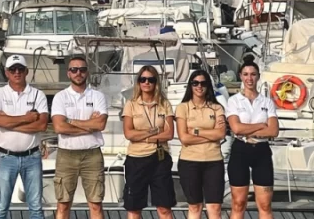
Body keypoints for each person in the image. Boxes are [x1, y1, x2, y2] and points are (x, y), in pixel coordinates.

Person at [0, 54, 49, 219]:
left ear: (26, 71)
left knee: (36, 207)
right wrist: (27, 118)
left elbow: (42, 125)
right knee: (1, 207)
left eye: (20, 69)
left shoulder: (38, 94)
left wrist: (8, 122)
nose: (17, 72)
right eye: (13, 69)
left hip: (32, 157)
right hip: (6, 157)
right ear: (6, 72)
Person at [51, 56, 108, 219]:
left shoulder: (98, 96)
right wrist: (89, 126)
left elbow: (100, 124)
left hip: (92, 155)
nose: (78, 73)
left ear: (87, 73)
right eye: (74, 70)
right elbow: (59, 127)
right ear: (68, 73)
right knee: (63, 204)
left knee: (96, 204)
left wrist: (71, 121)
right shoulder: (60, 97)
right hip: (66, 155)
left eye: (82, 70)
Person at [226, 56, 278, 219]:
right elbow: (236, 128)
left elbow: (273, 131)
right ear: (241, 76)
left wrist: (246, 130)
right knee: (238, 203)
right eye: (246, 74)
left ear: (258, 76)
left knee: (265, 205)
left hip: (261, 151)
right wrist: (261, 125)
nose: (249, 78)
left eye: (253, 74)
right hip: (240, 150)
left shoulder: (267, 102)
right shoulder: (234, 101)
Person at [121, 65, 176, 219]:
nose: (146, 82)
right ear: (138, 82)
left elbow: (169, 134)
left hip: (160, 159)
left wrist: (142, 136)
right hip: (136, 159)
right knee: (134, 208)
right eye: (143, 79)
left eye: (151, 79)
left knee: (164, 208)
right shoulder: (131, 104)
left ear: (156, 82)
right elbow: (129, 134)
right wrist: (154, 131)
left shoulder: (164, 104)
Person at [175, 70, 226, 219]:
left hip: (214, 161)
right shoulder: (182, 108)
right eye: (195, 83)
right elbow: (184, 138)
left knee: (215, 208)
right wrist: (210, 136)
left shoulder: (217, 108)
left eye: (203, 83)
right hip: (189, 162)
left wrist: (196, 131)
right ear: (190, 85)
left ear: (208, 85)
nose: (199, 86)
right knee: (194, 206)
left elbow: (221, 134)